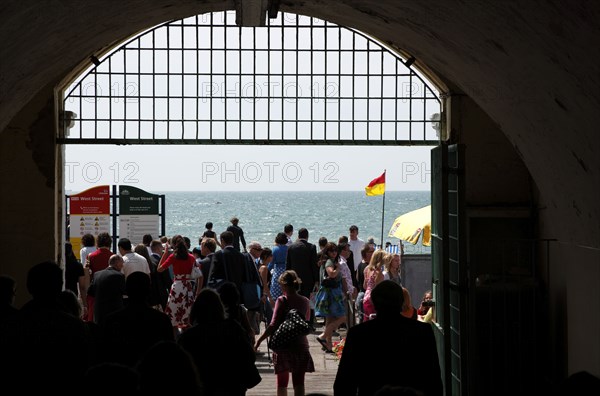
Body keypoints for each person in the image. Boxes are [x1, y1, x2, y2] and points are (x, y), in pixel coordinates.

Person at [334, 280, 442, 396]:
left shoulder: (358, 334)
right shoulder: (423, 331)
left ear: (374, 304)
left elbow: (344, 382)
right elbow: (433, 379)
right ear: (401, 302)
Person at [178, 288, 259, 396]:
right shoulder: (233, 328)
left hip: (202, 388)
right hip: (232, 386)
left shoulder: (188, 337)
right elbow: (249, 355)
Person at [255, 270, 315, 396]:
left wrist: (259, 340)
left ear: (284, 285)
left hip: (283, 347)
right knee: (299, 382)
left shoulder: (281, 300)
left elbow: (273, 325)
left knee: (282, 383)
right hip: (301, 345)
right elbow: (306, 322)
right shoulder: (305, 301)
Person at [102, 272, 174, 366]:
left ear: (126, 291)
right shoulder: (162, 320)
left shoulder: (111, 321)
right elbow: (170, 353)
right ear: (149, 291)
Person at [157, 234, 196, 333]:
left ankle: (175, 338)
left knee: (173, 316)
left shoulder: (173, 257)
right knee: (187, 313)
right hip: (188, 286)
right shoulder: (191, 257)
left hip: (177, 286)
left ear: (174, 245)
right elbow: (199, 274)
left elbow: (159, 269)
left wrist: (165, 253)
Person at [314, 242, 347, 352]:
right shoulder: (329, 262)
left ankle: (328, 345)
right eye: (331, 251)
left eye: (335, 250)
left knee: (329, 319)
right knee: (342, 317)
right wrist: (337, 268)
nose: (334, 253)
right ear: (327, 252)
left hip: (330, 292)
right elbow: (331, 274)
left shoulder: (327, 261)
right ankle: (323, 336)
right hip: (331, 293)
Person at [285, 227, 319, 323]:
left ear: (298, 236)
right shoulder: (312, 247)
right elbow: (314, 265)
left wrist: (287, 279)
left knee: (295, 300)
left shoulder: (291, 247)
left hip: (294, 279)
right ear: (307, 236)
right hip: (309, 280)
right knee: (309, 302)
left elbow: (288, 265)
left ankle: (295, 320)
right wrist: (316, 280)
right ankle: (309, 322)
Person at [88, 254, 126, 325]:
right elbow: (124, 291)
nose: (122, 265)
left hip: (99, 312)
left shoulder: (97, 274)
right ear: (117, 263)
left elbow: (90, 292)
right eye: (122, 263)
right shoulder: (119, 276)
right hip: (113, 312)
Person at [362, 249, 390, 322]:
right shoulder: (378, 273)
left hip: (366, 297)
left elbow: (365, 286)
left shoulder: (367, 269)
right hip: (373, 299)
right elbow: (378, 289)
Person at [355, 244, 374, 324]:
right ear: (365, 253)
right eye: (371, 251)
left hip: (361, 295)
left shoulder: (360, 264)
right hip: (365, 296)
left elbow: (357, 278)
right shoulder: (369, 267)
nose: (373, 253)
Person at [269, 232, 289, 301]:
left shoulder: (275, 249)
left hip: (277, 271)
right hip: (287, 271)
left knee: (275, 293)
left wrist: (267, 271)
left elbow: (271, 263)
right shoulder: (288, 249)